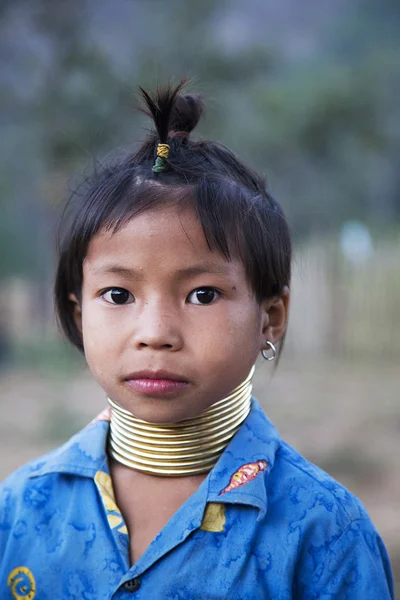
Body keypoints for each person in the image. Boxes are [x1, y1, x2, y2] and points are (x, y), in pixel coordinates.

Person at [0, 81, 394, 600]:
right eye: (118, 295)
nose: (155, 334)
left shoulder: (322, 531)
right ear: (79, 314)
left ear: (270, 318)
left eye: (203, 294)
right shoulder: (22, 509)